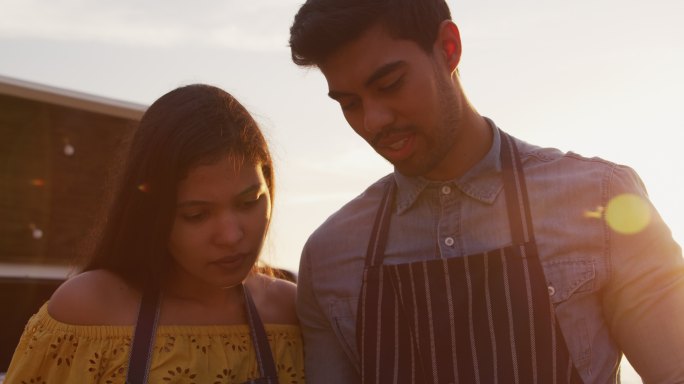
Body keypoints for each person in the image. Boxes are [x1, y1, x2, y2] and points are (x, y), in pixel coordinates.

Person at [288, 0, 684, 383]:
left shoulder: (601, 198)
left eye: (390, 85)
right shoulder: (329, 257)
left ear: (448, 48)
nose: (372, 121)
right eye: (349, 103)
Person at [4, 84, 305, 384]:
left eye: (248, 202)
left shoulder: (293, 312)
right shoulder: (87, 311)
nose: (230, 235)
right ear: (152, 215)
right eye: (196, 215)